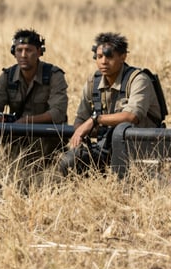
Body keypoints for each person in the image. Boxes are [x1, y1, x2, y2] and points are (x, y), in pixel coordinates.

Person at [58, 32, 163, 176]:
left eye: (109, 56)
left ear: (123, 57)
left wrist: (96, 120)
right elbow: (80, 120)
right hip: (105, 148)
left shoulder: (138, 79)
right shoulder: (93, 82)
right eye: (99, 56)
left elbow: (132, 116)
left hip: (142, 150)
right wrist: (82, 133)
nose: (104, 61)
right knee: (69, 161)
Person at [0, 28, 68, 166]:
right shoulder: (7, 76)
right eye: (19, 50)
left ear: (39, 52)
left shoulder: (54, 76)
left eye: (28, 50)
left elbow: (58, 113)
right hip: (16, 132)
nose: (23, 55)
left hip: (43, 133)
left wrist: (26, 121)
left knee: (33, 164)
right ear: (13, 52)